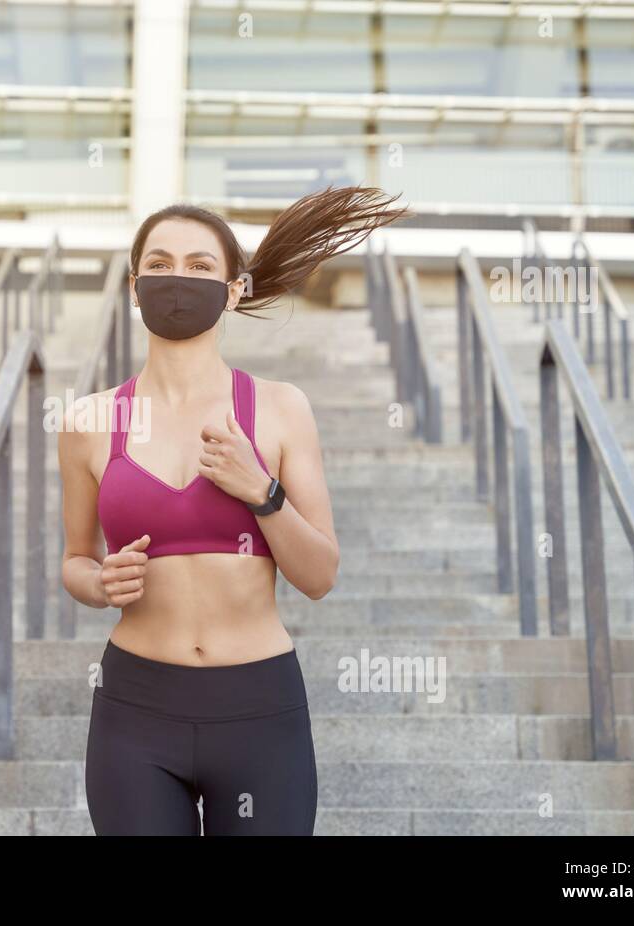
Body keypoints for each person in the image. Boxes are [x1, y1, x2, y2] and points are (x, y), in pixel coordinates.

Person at [58, 186, 410, 835]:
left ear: (236, 288)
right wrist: (100, 583)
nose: (177, 278)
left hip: (259, 711)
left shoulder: (280, 409)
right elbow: (76, 560)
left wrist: (262, 492)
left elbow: (319, 575)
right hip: (136, 711)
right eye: (158, 264)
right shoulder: (88, 421)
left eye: (198, 265)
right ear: (135, 286)